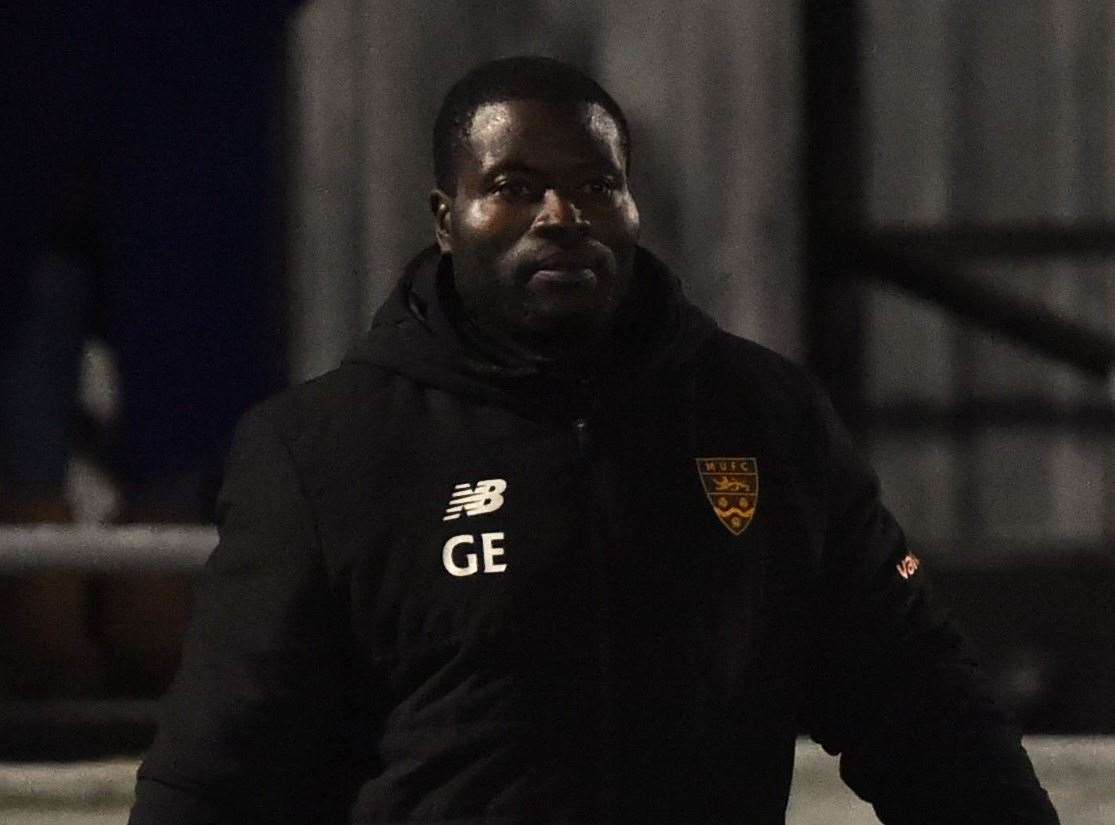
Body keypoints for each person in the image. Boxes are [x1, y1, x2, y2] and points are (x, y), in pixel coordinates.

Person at [129, 57, 1059, 824]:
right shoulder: (325, 450)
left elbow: (918, 703)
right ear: (445, 219)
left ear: (630, 207)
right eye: (514, 187)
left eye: (594, 185)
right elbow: (222, 771)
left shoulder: (764, 418)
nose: (560, 217)